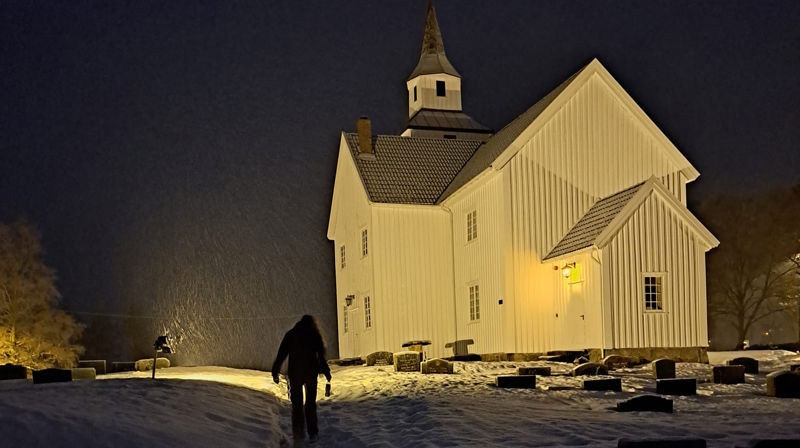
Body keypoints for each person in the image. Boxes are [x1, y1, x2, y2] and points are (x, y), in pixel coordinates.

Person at [272, 315, 332, 441]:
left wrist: (275, 371)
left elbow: (281, 354)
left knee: (297, 404)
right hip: (310, 372)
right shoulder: (314, 335)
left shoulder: (291, 335)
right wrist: (326, 372)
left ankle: (298, 432)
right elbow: (321, 357)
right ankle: (312, 433)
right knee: (310, 403)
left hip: (295, 373)